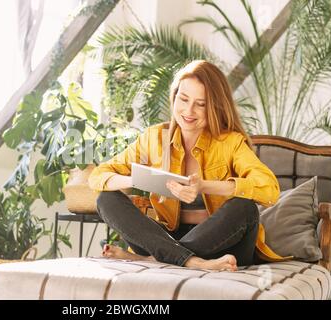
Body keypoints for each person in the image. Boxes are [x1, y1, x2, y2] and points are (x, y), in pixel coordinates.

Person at [88, 60, 285, 271]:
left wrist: (204, 186)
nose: (189, 111)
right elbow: (98, 176)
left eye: (201, 104)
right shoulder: (154, 138)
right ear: (174, 98)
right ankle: (192, 262)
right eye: (183, 99)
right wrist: (138, 179)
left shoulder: (230, 142)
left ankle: (154, 260)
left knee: (245, 207)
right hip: (167, 238)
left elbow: (269, 189)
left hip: (224, 245)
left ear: (214, 106)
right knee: (106, 198)